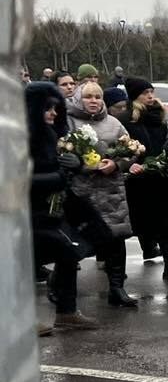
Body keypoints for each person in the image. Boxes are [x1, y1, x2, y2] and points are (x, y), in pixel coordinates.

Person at [26, 81, 98, 332]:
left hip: (49, 211)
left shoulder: (51, 134)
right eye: (47, 108)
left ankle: (66, 312)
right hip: (23, 213)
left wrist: (74, 162)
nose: (54, 113)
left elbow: (60, 167)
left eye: (56, 108)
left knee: (68, 254)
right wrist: (56, 176)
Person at [67, 80, 140, 309]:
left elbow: (132, 150)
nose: (93, 101)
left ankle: (117, 288)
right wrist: (80, 164)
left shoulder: (114, 123)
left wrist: (117, 164)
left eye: (97, 97)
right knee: (75, 242)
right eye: (88, 97)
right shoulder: (68, 122)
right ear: (79, 99)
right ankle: (60, 288)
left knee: (115, 240)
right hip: (82, 191)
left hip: (111, 192)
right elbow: (61, 151)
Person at [124, 77, 168, 282]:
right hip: (137, 180)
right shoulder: (127, 118)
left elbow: (166, 144)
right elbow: (123, 148)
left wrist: (167, 163)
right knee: (141, 221)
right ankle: (147, 247)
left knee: (166, 222)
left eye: (151, 91)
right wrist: (130, 164)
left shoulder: (159, 117)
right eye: (145, 92)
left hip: (159, 176)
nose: (150, 96)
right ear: (135, 96)